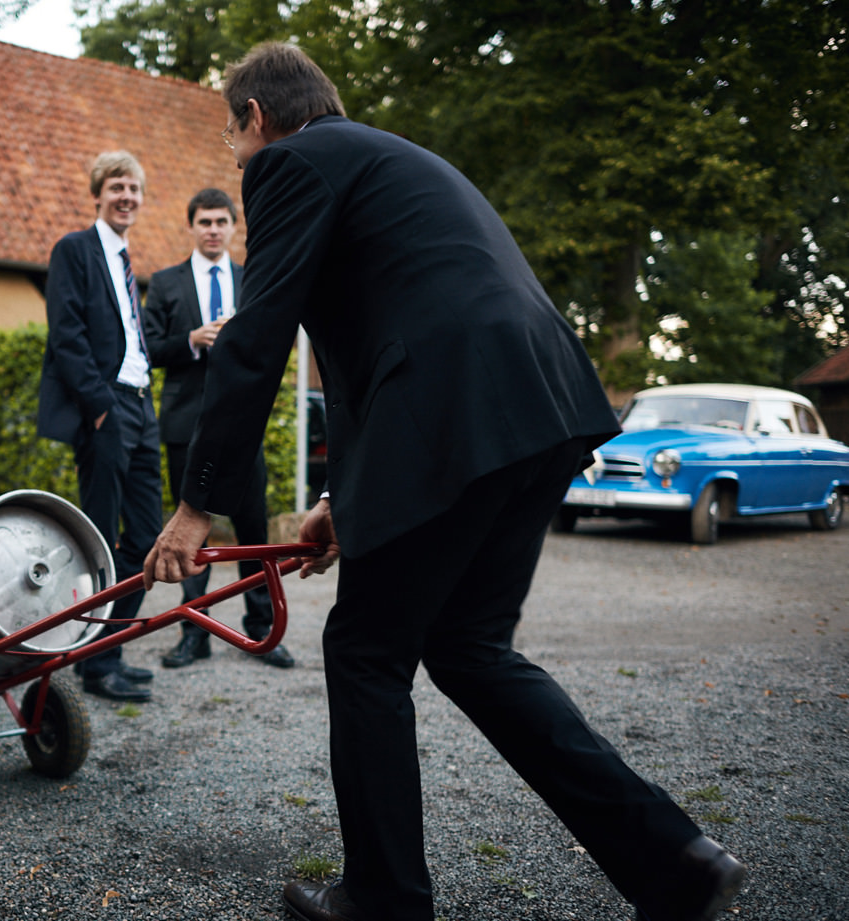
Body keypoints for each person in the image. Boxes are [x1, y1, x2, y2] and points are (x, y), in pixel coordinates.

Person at [144, 42, 745, 921]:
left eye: (232, 138)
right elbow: (372, 347)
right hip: (541, 402)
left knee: (364, 651)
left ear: (258, 121)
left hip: (460, 406)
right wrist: (338, 503)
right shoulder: (393, 159)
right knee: (468, 647)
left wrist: (197, 504)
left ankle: (385, 898)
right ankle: (678, 861)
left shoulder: (289, 165)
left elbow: (257, 337)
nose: (235, 160)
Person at [142, 187, 294, 670]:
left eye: (221, 222)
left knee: (254, 532)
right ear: (192, 226)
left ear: (233, 227)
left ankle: (261, 627)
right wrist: (192, 339)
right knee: (192, 535)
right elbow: (146, 348)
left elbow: (273, 346)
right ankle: (194, 632)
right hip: (186, 425)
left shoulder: (253, 280)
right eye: (204, 221)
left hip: (243, 427)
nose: (212, 229)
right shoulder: (165, 283)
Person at [37, 151, 164, 703]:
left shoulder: (128, 261)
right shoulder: (75, 250)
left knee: (145, 538)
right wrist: (101, 407)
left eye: (134, 188)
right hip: (108, 409)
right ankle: (96, 662)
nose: (127, 196)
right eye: (117, 186)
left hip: (142, 406)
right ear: (98, 193)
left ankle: (103, 651)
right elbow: (66, 334)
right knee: (102, 540)